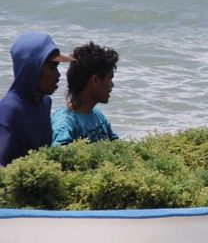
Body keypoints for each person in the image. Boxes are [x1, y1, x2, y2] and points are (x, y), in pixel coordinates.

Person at [0, 32, 74, 166]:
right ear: (32, 69)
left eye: (57, 67)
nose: (58, 75)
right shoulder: (9, 109)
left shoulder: (45, 102)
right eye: (52, 67)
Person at [51, 42, 119, 146]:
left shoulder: (98, 115)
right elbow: (60, 155)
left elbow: (116, 143)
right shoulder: (65, 123)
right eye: (110, 78)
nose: (112, 85)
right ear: (96, 80)